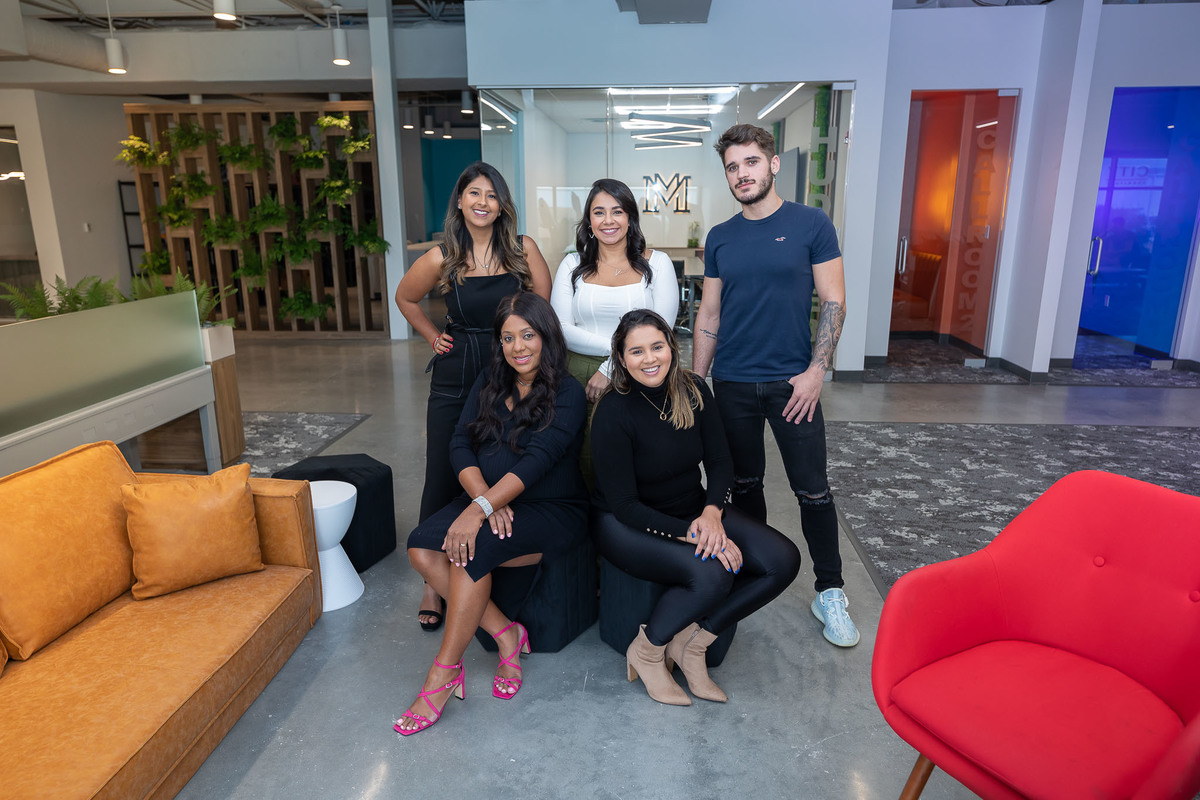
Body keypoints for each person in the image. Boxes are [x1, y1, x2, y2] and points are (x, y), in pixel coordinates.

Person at [692, 123, 860, 648]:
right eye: (732, 167)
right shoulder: (720, 236)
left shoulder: (811, 224)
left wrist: (816, 372)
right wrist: (697, 382)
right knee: (743, 488)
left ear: (772, 163)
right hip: (734, 383)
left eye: (750, 163)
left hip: (794, 383)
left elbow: (834, 301)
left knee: (813, 490)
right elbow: (710, 313)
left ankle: (829, 590)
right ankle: (754, 575)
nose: (741, 174)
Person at [396, 292, 587, 735]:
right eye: (507, 338)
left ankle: (442, 675)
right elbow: (460, 443)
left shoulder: (568, 391)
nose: (518, 347)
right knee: (422, 550)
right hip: (489, 498)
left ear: (546, 337)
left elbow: (538, 460)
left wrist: (481, 510)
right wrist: (483, 501)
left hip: (550, 508)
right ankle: (506, 634)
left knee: (466, 552)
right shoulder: (489, 379)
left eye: (528, 335)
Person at [590, 309, 801, 705]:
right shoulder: (613, 412)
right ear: (620, 357)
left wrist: (711, 514)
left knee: (782, 560)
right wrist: (694, 536)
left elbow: (721, 463)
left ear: (672, 346)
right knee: (713, 575)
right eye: (636, 351)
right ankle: (648, 649)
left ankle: (695, 644)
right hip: (626, 524)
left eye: (657, 346)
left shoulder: (693, 390)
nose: (649, 359)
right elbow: (625, 506)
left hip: (691, 508)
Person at [395, 162, 552, 633]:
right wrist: (430, 335)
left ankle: (489, 552)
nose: (483, 202)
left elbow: (542, 309)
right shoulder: (441, 257)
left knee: (501, 458)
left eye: (492, 195)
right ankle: (432, 580)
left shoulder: (523, 251)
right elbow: (404, 298)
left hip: (510, 362)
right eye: (474, 194)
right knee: (443, 468)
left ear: (502, 204)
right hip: (458, 365)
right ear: (460, 201)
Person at [549, 179, 679, 485]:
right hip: (578, 374)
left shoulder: (657, 264)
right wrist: (621, 349)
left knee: (637, 459)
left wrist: (612, 366)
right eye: (599, 212)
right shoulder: (572, 264)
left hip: (643, 373)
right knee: (581, 458)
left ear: (630, 218)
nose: (608, 220)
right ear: (589, 221)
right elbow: (560, 328)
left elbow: (662, 329)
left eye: (617, 211)